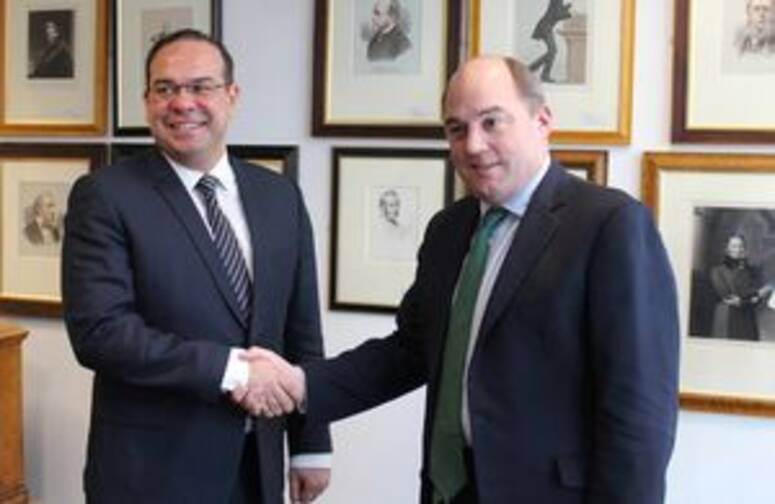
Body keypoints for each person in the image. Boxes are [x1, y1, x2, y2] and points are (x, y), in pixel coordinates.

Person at [247, 56, 680, 503]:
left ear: (542, 121)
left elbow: (640, 414)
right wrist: (302, 384)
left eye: (492, 122)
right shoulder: (448, 230)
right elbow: (409, 352)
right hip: (451, 489)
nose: (473, 145)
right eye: (457, 129)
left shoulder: (609, 225)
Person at [62, 29, 331, 503]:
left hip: (257, 467)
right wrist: (233, 371)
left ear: (232, 95)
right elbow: (101, 333)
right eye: (165, 88)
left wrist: (311, 445)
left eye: (200, 86)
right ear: (147, 100)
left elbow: (301, 327)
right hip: (151, 474)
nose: (182, 103)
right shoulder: (105, 196)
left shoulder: (280, 196)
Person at [710, 233, 773, 340]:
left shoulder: (751, 271)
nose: (738, 250)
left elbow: (758, 299)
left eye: (741, 246)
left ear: (744, 250)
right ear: (727, 249)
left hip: (748, 320)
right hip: (727, 317)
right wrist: (753, 296)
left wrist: (747, 299)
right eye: (734, 246)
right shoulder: (717, 271)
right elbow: (728, 297)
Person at [528, 0, 573, 82]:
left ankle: (533, 69)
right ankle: (540, 73)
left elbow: (556, 10)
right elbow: (556, 14)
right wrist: (569, 14)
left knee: (552, 51)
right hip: (545, 27)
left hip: (545, 26)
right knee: (553, 51)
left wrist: (567, 7)